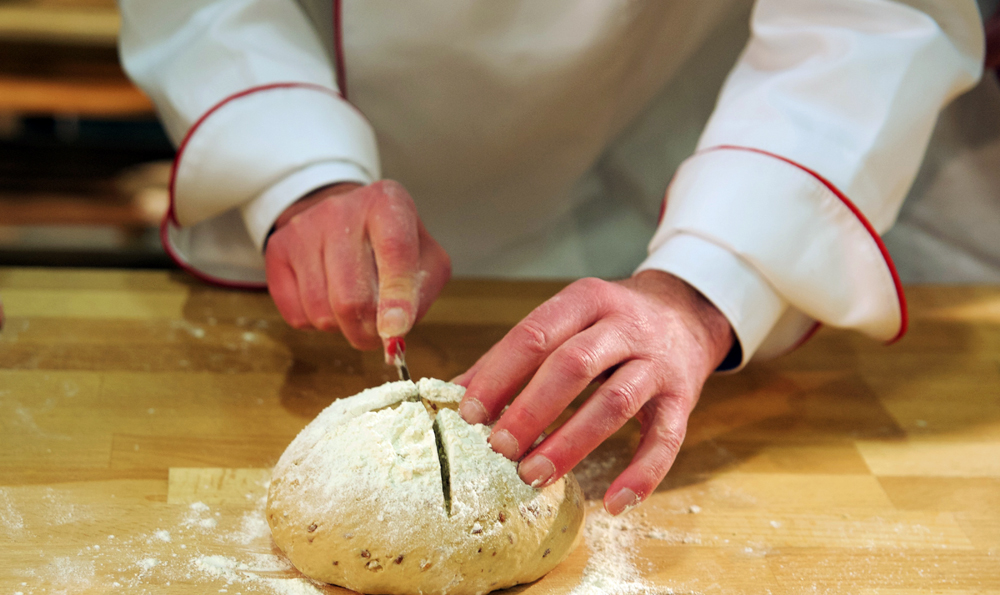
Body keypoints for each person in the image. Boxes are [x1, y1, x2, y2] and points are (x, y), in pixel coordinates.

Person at [118, 0, 985, 515]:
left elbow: (879, 17)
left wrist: (707, 280)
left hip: (661, 159)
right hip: (322, 130)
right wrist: (295, 168)